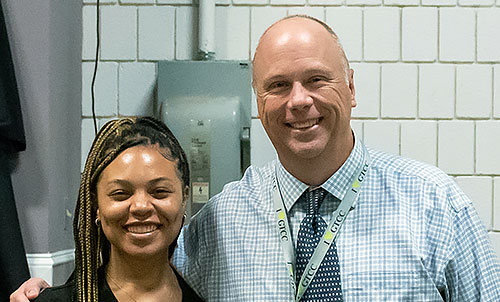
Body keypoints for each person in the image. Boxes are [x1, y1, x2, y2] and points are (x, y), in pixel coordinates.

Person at [11, 15, 500, 302]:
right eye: (278, 86)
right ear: (259, 106)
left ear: (350, 88)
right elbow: (140, 264)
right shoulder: (220, 222)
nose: (299, 101)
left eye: (317, 79)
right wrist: (52, 294)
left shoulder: (436, 206)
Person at [29, 117, 203, 302]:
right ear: (96, 205)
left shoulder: (203, 294)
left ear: (184, 198)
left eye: (159, 192)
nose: (141, 206)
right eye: (121, 193)